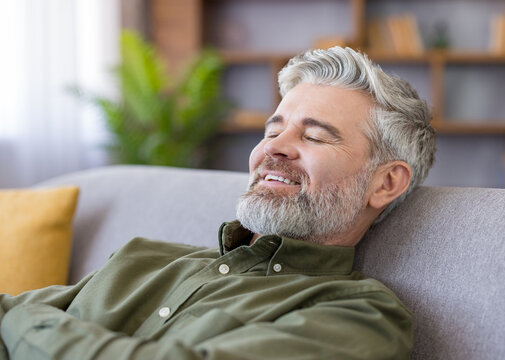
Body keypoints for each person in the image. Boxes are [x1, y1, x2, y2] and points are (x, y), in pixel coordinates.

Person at [0, 47, 435, 360]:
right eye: (271, 131)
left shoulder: (359, 315)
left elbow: (12, 318)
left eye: (315, 135)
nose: (274, 148)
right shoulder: (141, 258)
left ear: (386, 183)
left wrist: (27, 322)